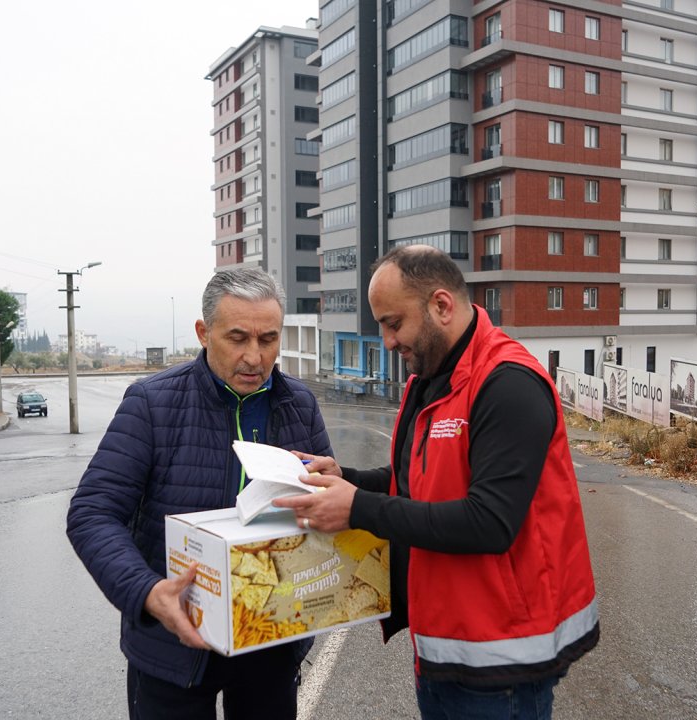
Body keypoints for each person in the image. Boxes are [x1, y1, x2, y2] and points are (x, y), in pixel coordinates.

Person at [275, 245, 599, 720]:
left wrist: (358, 507)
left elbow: (489, 522)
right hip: (445, 647)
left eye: (393, 323)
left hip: (503, 659)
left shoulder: (508, 384)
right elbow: (415, 483)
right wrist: (348, 480)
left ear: (441, 306)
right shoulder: (430, 381)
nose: (387, 341)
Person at [67, 267, 333, 720]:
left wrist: (333, 485)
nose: (254, 356)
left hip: (270, 635)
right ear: (204, 332)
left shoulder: (298, 403)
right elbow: (93, 513)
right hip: (175, 643)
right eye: (237, 338)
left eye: (268, 339)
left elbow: (327, 505)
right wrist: (147, 593)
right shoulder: (152, 403)